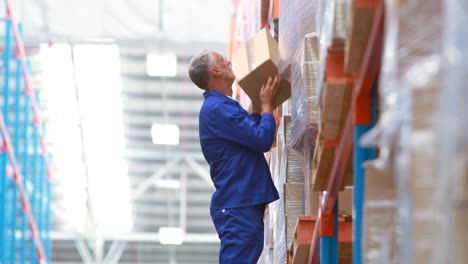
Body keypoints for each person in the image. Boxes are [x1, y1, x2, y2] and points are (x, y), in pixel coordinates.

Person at [188, 50, 280, 263]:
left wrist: (257, 111)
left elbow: (247, 138)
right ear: (215, 71)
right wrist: (267, 107)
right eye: (222, 60)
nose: (228, 61)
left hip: (241, 204)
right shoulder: (216, 108)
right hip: (238, 205)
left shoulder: (220, 107)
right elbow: (262, 140)